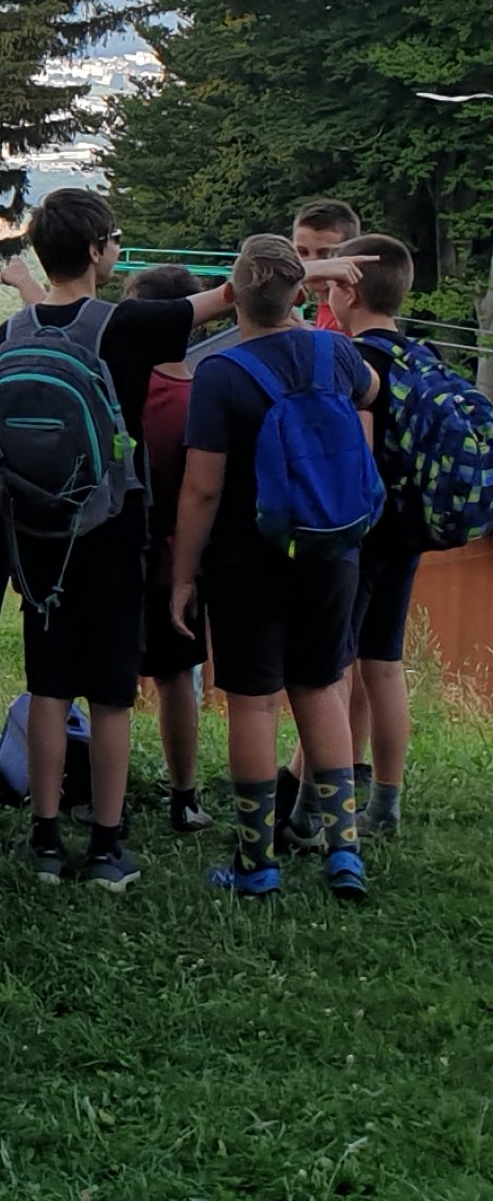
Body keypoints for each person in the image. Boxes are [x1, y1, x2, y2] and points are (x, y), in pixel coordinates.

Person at [0, 190, 234, 890]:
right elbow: (231, 295)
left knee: (47, 683)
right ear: (100, 251)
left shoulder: (16, 333)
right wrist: (316, 267)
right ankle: (104, 843)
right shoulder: (125, 326)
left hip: (36, 527)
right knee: (109, 692)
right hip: (109, 525)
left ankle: (43, 839)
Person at [170, 235, 380, 900]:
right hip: (331, 547)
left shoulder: (221, 375)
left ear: (234, 298)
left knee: (255, 704)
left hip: (246, 557)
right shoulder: (336, 350)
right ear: (297, 295)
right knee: (321, 688)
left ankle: (257, 862)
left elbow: (202, 487)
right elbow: (373, 394)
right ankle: (344, 852)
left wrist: (182, 575)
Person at [322, 235, 429, 838]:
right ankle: (385, 802)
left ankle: (316, 799)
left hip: (358, 530)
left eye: (334, 283)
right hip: (406, 528)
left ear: (349, 288)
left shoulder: (350, 359)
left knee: (333, 669)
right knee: (384, 665)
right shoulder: (420, 356)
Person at [124, 264, 213, 834]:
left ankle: (92, 788)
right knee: (177, 676)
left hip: (114, 545)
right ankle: (184, 795)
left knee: (102, 676)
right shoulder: (202, 394)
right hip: (178, 555)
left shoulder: (118, 383)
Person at [292, 200, 363, 332]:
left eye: (325, 255)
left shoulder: (350, 314)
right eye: (303, 252)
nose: (313, 263)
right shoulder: (328, 307)